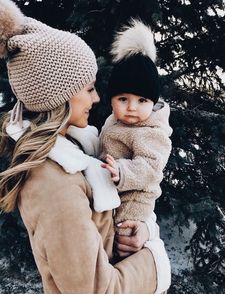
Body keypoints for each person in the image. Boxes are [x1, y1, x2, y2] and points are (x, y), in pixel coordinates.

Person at [0, 1, 171, 293]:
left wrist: (143, 231)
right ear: (60, 98)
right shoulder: (54, 184)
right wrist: (156, 259)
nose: (95, 99)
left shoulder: (78, 150)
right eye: (89, 89)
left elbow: (121, 215)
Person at [98, 20, 173, 236]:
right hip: (113, 196)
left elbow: (151, 168)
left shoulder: (151, 131)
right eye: (123, 99)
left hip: (132, 205)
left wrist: (122, 171)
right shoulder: (113, 121)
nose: (131, 108)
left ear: (152, 102)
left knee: (121, 242)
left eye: (142, 101)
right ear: (111, 100)